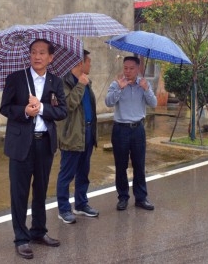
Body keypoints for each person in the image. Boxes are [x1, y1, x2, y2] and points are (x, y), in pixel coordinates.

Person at [0, 39, 67, 260]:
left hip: (44, 142)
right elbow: (5, 108)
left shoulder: (56, 82)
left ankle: (39, 232)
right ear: (29, 55)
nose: (37, 56)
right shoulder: (16, 79)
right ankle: (21, 238)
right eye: (33, 52)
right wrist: (26, 111)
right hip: (20, 145)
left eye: (42, 53)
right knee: (19, 193)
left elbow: (62, 111)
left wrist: (42, 107)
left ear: (50, 58)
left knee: (40, 190)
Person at [105, 56, 158, 211]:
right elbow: (108, 102)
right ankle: (122, 197)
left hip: (138, 129)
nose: (127, 71)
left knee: (139, 165)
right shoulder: (116, 84)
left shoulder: (144, 84)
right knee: (120, 166)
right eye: (125, 68)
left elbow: (153, 103)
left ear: (138, 69)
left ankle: (141, 198)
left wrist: (146, 89)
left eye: (131, 68)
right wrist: (120, 89)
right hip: (120, 129)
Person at [56, 49, 99, 224]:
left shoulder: (86, 82)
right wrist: (80, 85)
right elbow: (67, 106)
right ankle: (64, 209)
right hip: (72, 135)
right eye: (88, 61)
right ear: (79, 63)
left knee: (83, 172)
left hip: (87, 132)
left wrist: (83, 84)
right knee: (67, 174)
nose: (90, 64)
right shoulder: (64, 83)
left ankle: (81, 204)